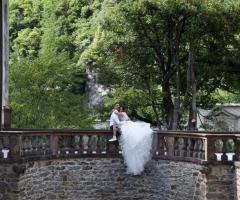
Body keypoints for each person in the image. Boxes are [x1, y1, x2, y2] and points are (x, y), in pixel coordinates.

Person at [117, 107, 153, 175]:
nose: (121, 110)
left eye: (121, 109)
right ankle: (134, 168)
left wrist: (123, 118)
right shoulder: (116, 114)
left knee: (134, 133)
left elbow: (127, 119)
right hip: (123, 125)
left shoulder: (123, 113)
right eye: (120, 109)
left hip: (127, 124)